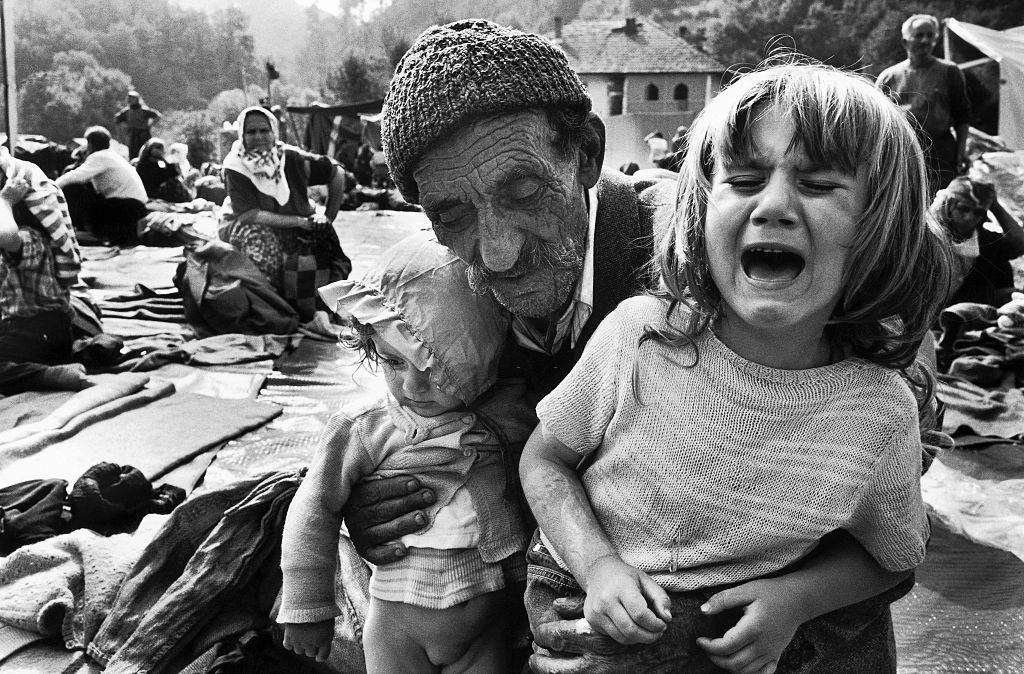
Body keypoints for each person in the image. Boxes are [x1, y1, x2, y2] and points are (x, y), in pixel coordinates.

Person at [343, 19, 946, 673]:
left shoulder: (708, 255)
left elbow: (893, 521)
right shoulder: (443, 293)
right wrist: (387, 500)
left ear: (586, 156)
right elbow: (404, 434)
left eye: (524, 193)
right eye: (451, 216)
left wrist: (775, 601)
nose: (496, 251)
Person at [519, 61, 952, 673]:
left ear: (879, 229)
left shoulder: (878, 412)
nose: (773, 204)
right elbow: (543, 459)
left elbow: (893, 556)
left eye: (820, 185)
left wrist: (796, 599)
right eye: (744, 179)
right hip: (597, 606)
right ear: (699, 213)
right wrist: (598, 567)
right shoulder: (640, 338)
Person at [279, 232, 534, 670]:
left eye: (435, 368)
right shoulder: (366, 427)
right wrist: (306, 606)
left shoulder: (512, 412)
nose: (412, 387)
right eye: (393, 362)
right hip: (397, 630)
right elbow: (314, 506)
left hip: (486, 628)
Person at [220, 106, 352, 322]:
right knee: (262, 247)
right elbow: (248, 215)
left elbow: (337, 173)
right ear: (242, 135)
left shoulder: (291, 158)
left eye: (264, 130)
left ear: (274, 131)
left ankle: (324, 306)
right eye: (251, 132)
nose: (259, 137)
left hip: (296, 222)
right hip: (255, 224)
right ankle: (278, 308)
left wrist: (327, 216)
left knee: (329, 245)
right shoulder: (235, 166)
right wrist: (299, 221)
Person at [0, 145, 93, 393]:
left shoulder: (31, 238)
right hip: (36, 330)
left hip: (40, 331)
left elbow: (5, 235)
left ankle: (47, 375)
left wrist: (5, 200)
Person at [876, 14, 972, 192]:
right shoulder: (889, 77)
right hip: (903, 158)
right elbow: (877, 123)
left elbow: (962, 115)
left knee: (941, 210)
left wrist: (961, 152)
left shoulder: (950, 72)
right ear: (905, 42)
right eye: (919, 35)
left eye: (930, 35)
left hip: (941, 156)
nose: (925, 40)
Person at [930, 176, 1024, 306]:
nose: (969, 218)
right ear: (948, 207)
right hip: (933, 309)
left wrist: (995, 206)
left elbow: (1019, 244)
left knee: (1002, 266)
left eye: (978, 212)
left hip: (971, 307)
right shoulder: (929, 238)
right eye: (963, 209)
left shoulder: (983, 240)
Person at [55, 126, 148, 246]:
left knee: (72, 188)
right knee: (84, 190)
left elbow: (75, 176)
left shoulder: (99, 156)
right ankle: (95, 230)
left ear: (91, 144)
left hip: (127, 208)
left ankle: (89, 231)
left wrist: (51, 187)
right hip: (136, 209)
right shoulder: (112, 155)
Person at [134, 138, 189, 202]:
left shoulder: (161, 163)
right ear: (150, 149)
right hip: (149, 192)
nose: (160, 151)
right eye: (158, 148)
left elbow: (173, 174)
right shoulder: (143, 164)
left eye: (161, 148)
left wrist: (165, 161)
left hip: (159, 190)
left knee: (175, 181)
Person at [114, 90, 162, 160]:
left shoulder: (144, 110)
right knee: (133, 155)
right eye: (129, 98)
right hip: (132, 136)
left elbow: (158, 116)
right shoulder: (126, 112)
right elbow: (117, 119)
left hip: (144, 135)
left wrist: (150, 125)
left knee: (146, 154)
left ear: (137, 99)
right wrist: (123, 131)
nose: (130, 100)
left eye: (132, 98)